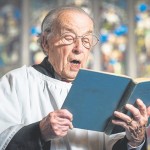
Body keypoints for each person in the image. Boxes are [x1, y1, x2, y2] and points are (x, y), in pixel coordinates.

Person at [0, 5, 148, 150]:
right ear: (45, 42)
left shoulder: (103, 89)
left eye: (86, 40)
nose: (79, 48)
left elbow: (113, 145)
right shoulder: (16, 81)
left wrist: (135, 140)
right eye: (69, 37)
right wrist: (39, 132)